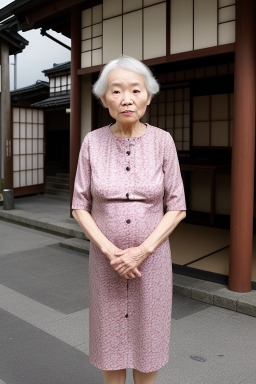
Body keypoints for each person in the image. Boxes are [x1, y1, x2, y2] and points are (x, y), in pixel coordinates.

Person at [71, 54, 186, 384]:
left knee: (148, 348)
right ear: (104, 98)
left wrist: (142, 251)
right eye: (116, 91)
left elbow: (177, 205)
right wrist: (111, 251)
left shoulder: (162, 141)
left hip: (152, 262)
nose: (126, 99)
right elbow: (80, 204)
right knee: (111, 349)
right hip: (105, 263)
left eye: (135, 90)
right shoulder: (92, 142)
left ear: (148, 96)